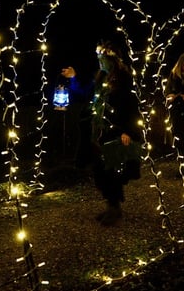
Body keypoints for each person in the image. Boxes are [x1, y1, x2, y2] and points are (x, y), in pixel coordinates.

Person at [60, 40, 143, 226]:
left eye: (102, 57)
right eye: (98, 56)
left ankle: (115, 209)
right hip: (97, 133)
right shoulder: (100, 77)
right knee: (100, 172)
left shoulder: (123, 79)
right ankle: (111, 205)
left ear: (111, 59)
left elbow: (131, 107)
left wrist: (128, 131)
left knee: (112, 171)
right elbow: (85, 93)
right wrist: (73, 78)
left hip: (114, 132)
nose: (99, 60)